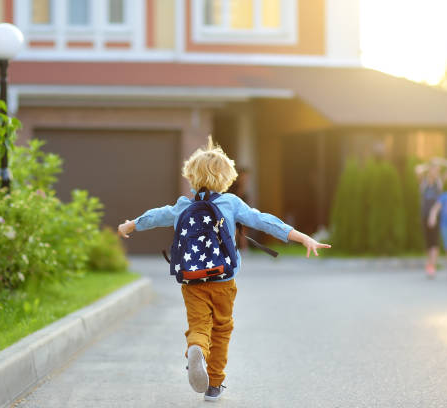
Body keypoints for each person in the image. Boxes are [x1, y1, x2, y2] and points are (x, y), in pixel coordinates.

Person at [117, 137, 330, 402]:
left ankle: (196, 347)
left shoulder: (184, 204)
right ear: (227, 177)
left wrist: (131, 225)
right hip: (223, 280)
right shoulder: (231, 203)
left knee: (199, 325)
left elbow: (157, 215)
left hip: (192, 280)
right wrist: (301, 237)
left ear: (191, 176)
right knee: (221, 328)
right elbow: (263, 220)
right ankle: (214, 384)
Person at [415, 157, 447, 278]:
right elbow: (417, 170)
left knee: (434, 241)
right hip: (424, 215)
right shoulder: (423, 182)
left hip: (437, 216)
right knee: (428, 242)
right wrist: (429, 165)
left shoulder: (440, 182)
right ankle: (429, 264)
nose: (435, 172)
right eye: (433, 169)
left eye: (437, 170)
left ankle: (432, 266)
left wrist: (441, 161)